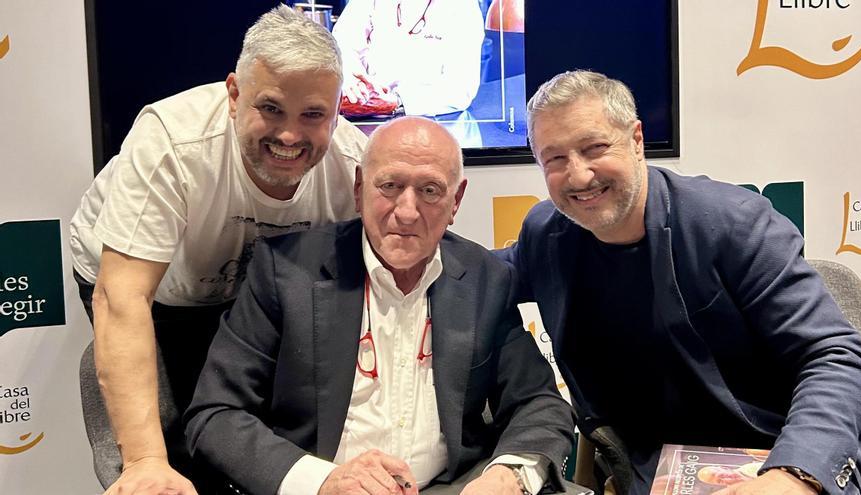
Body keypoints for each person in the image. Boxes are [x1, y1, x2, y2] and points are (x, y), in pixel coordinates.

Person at [497, 70, 861, 494]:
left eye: (595, 148)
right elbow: (484, 281)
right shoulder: (547, 234)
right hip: (657, 468)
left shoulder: (731, 223)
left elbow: (835, 356)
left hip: (785, 454)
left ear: (636, 140)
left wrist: (794, 475)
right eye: (555, 158)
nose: (579, 175)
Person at [183, 116, 577, 495]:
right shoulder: (284, 272)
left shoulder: (487, 280)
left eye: (430, 190)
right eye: (389, 185)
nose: (406, 212)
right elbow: (216, 415)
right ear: (359, 188)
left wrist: (506, 478)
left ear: (455, 200)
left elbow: (538, 402)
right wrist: (320, 481)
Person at [69, 6, 368, 494]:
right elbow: (122, 298)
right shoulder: (172, 140)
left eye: (313, 115)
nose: (290, 136)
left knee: (251, 426)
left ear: (337, 110)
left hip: (248, 291)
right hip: (151, 288)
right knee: (165, 433)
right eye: (270, 108)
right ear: (234, 95)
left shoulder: (354, 165)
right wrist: (146, 461)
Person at [331, 0, 485, 117]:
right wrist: (353, 83)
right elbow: (343, 42)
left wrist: (396, 102)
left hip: (424, 121)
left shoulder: (464, 7)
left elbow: (460, 89)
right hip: (363, 111)